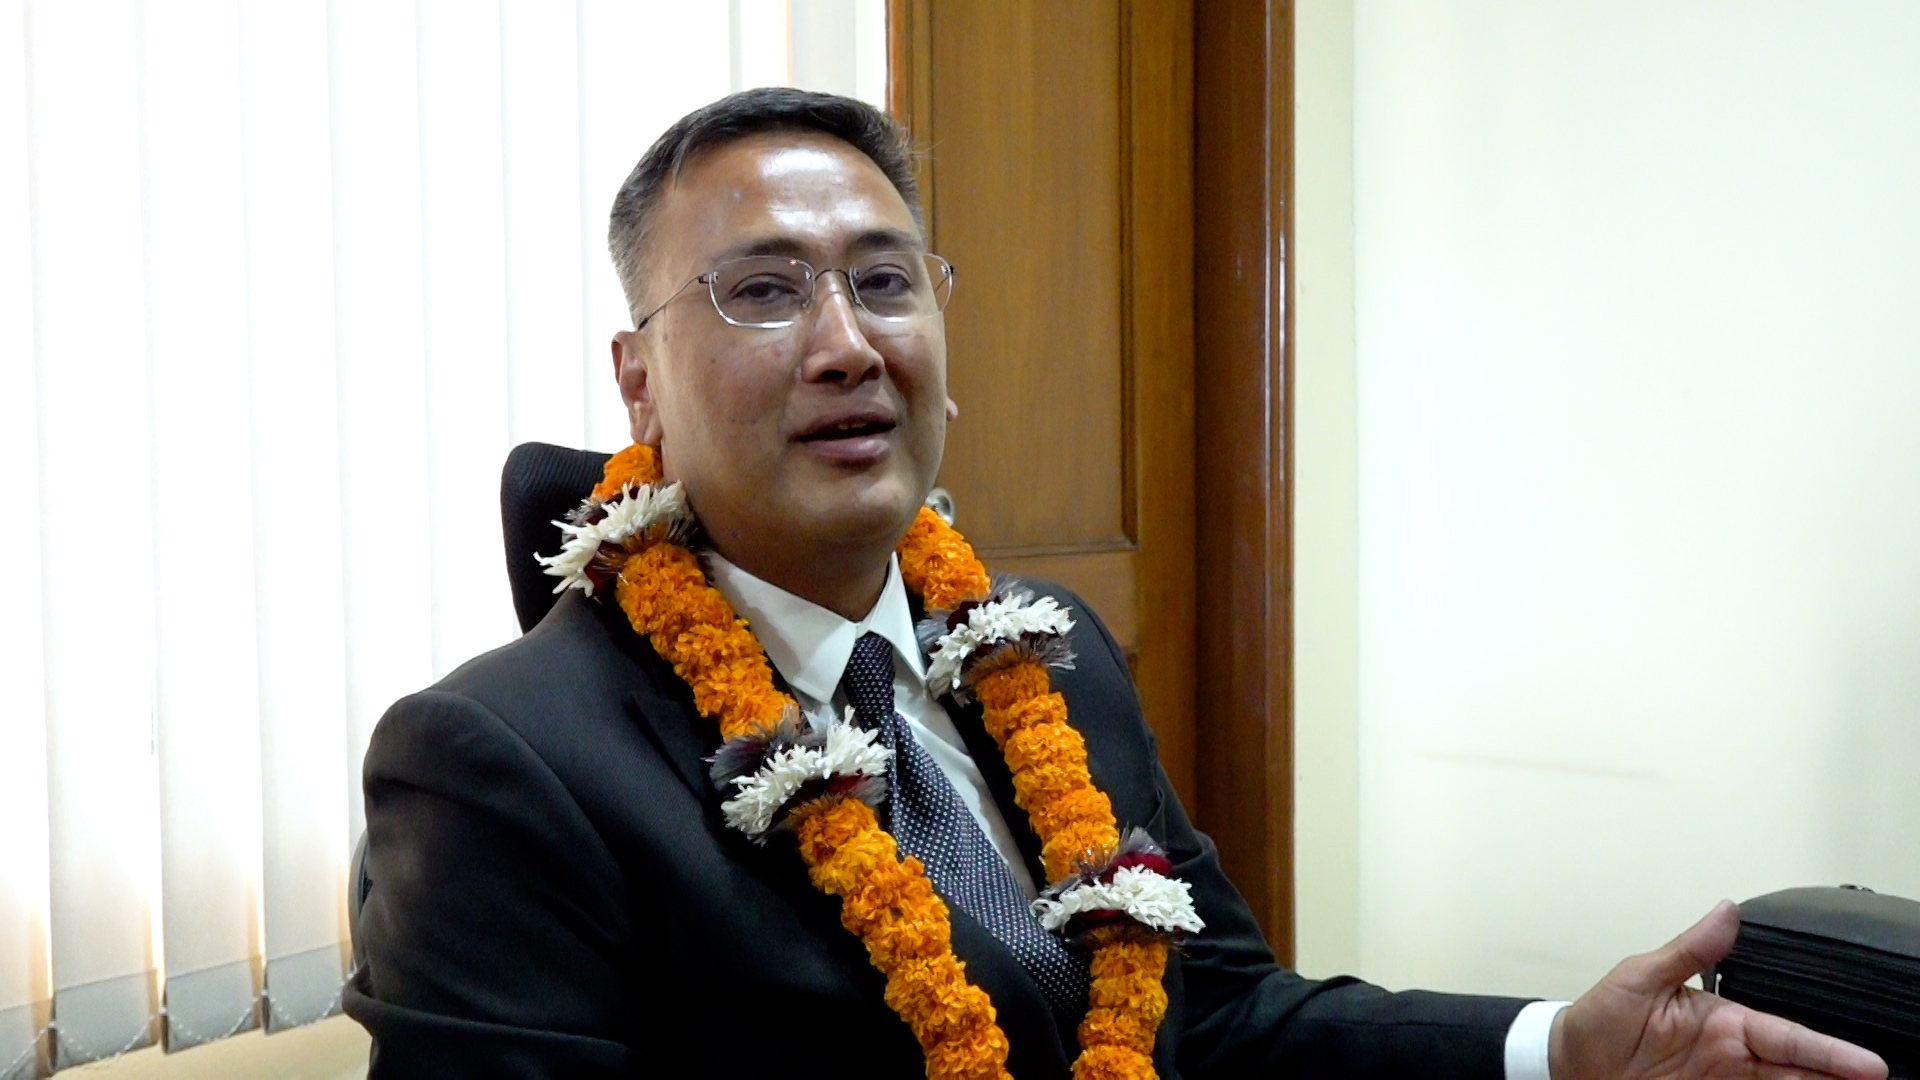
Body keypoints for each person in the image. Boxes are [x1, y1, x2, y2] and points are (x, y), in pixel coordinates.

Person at [342, 88, 1887, 1080]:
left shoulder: (1050, 654)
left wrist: (1560, 1048)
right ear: (640, 383)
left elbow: (1220, 1014)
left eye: (885, 280)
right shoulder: (497, 766)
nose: (848, 343)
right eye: (762, 291)